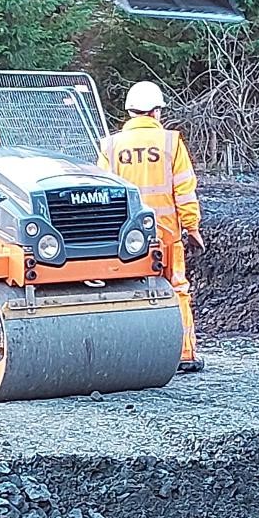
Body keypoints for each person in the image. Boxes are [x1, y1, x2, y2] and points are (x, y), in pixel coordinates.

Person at [99, 80, 204, 373]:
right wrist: (191, 226)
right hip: (167, 235)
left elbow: (104, 194)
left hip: (126, 239)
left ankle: (127, 357)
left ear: (130, 112)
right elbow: (184, 189)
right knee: (178, 289)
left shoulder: (111, 145)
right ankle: (185, 353)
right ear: (156, 112)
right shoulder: (171, 142)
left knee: (124, 292)